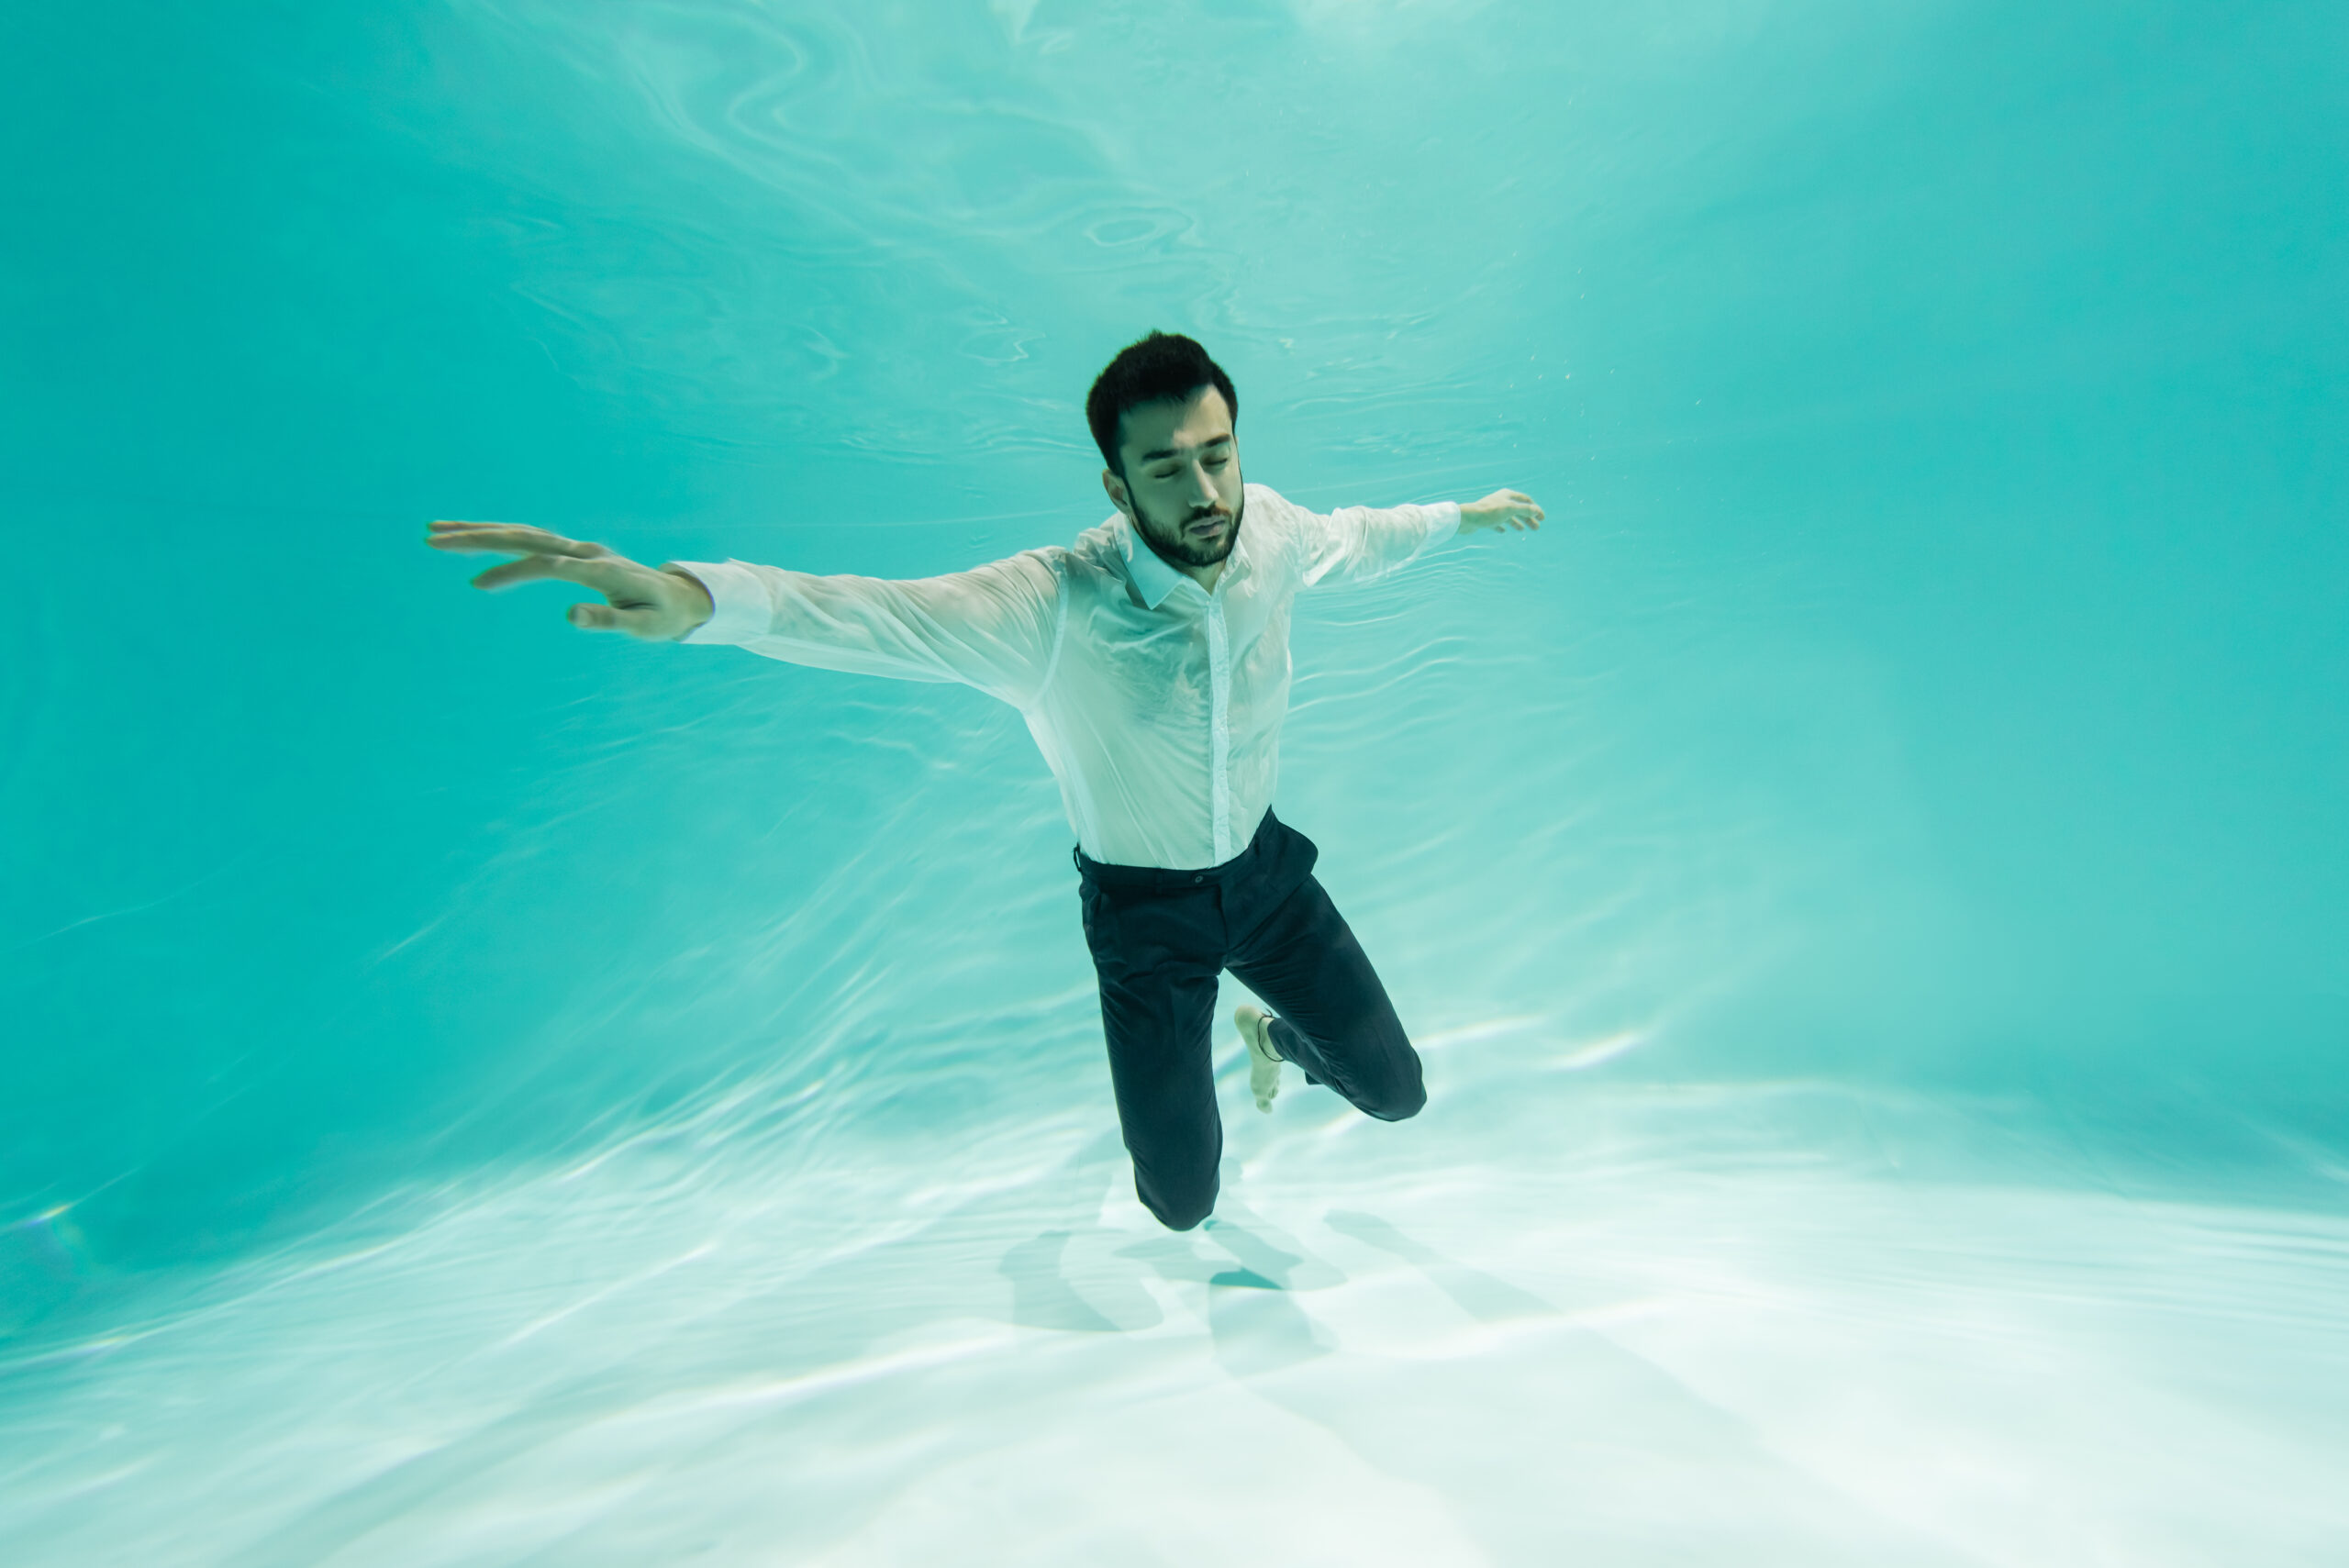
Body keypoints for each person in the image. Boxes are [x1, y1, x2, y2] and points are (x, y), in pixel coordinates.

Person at [429, 330, 1543, 1230]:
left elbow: (1359, 535)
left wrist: (1466, 515)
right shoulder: (1053, 604)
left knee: (1395, 1090)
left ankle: (1271, 1037)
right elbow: (879, 614)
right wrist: (700, 599)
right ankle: (1216, 1095)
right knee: (1181, 1203)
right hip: (1145, 919)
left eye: (1218, 454)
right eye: (1166, 469)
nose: (1206, 490)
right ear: (1116, 484)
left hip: (1266, 880)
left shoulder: (1272, 532)